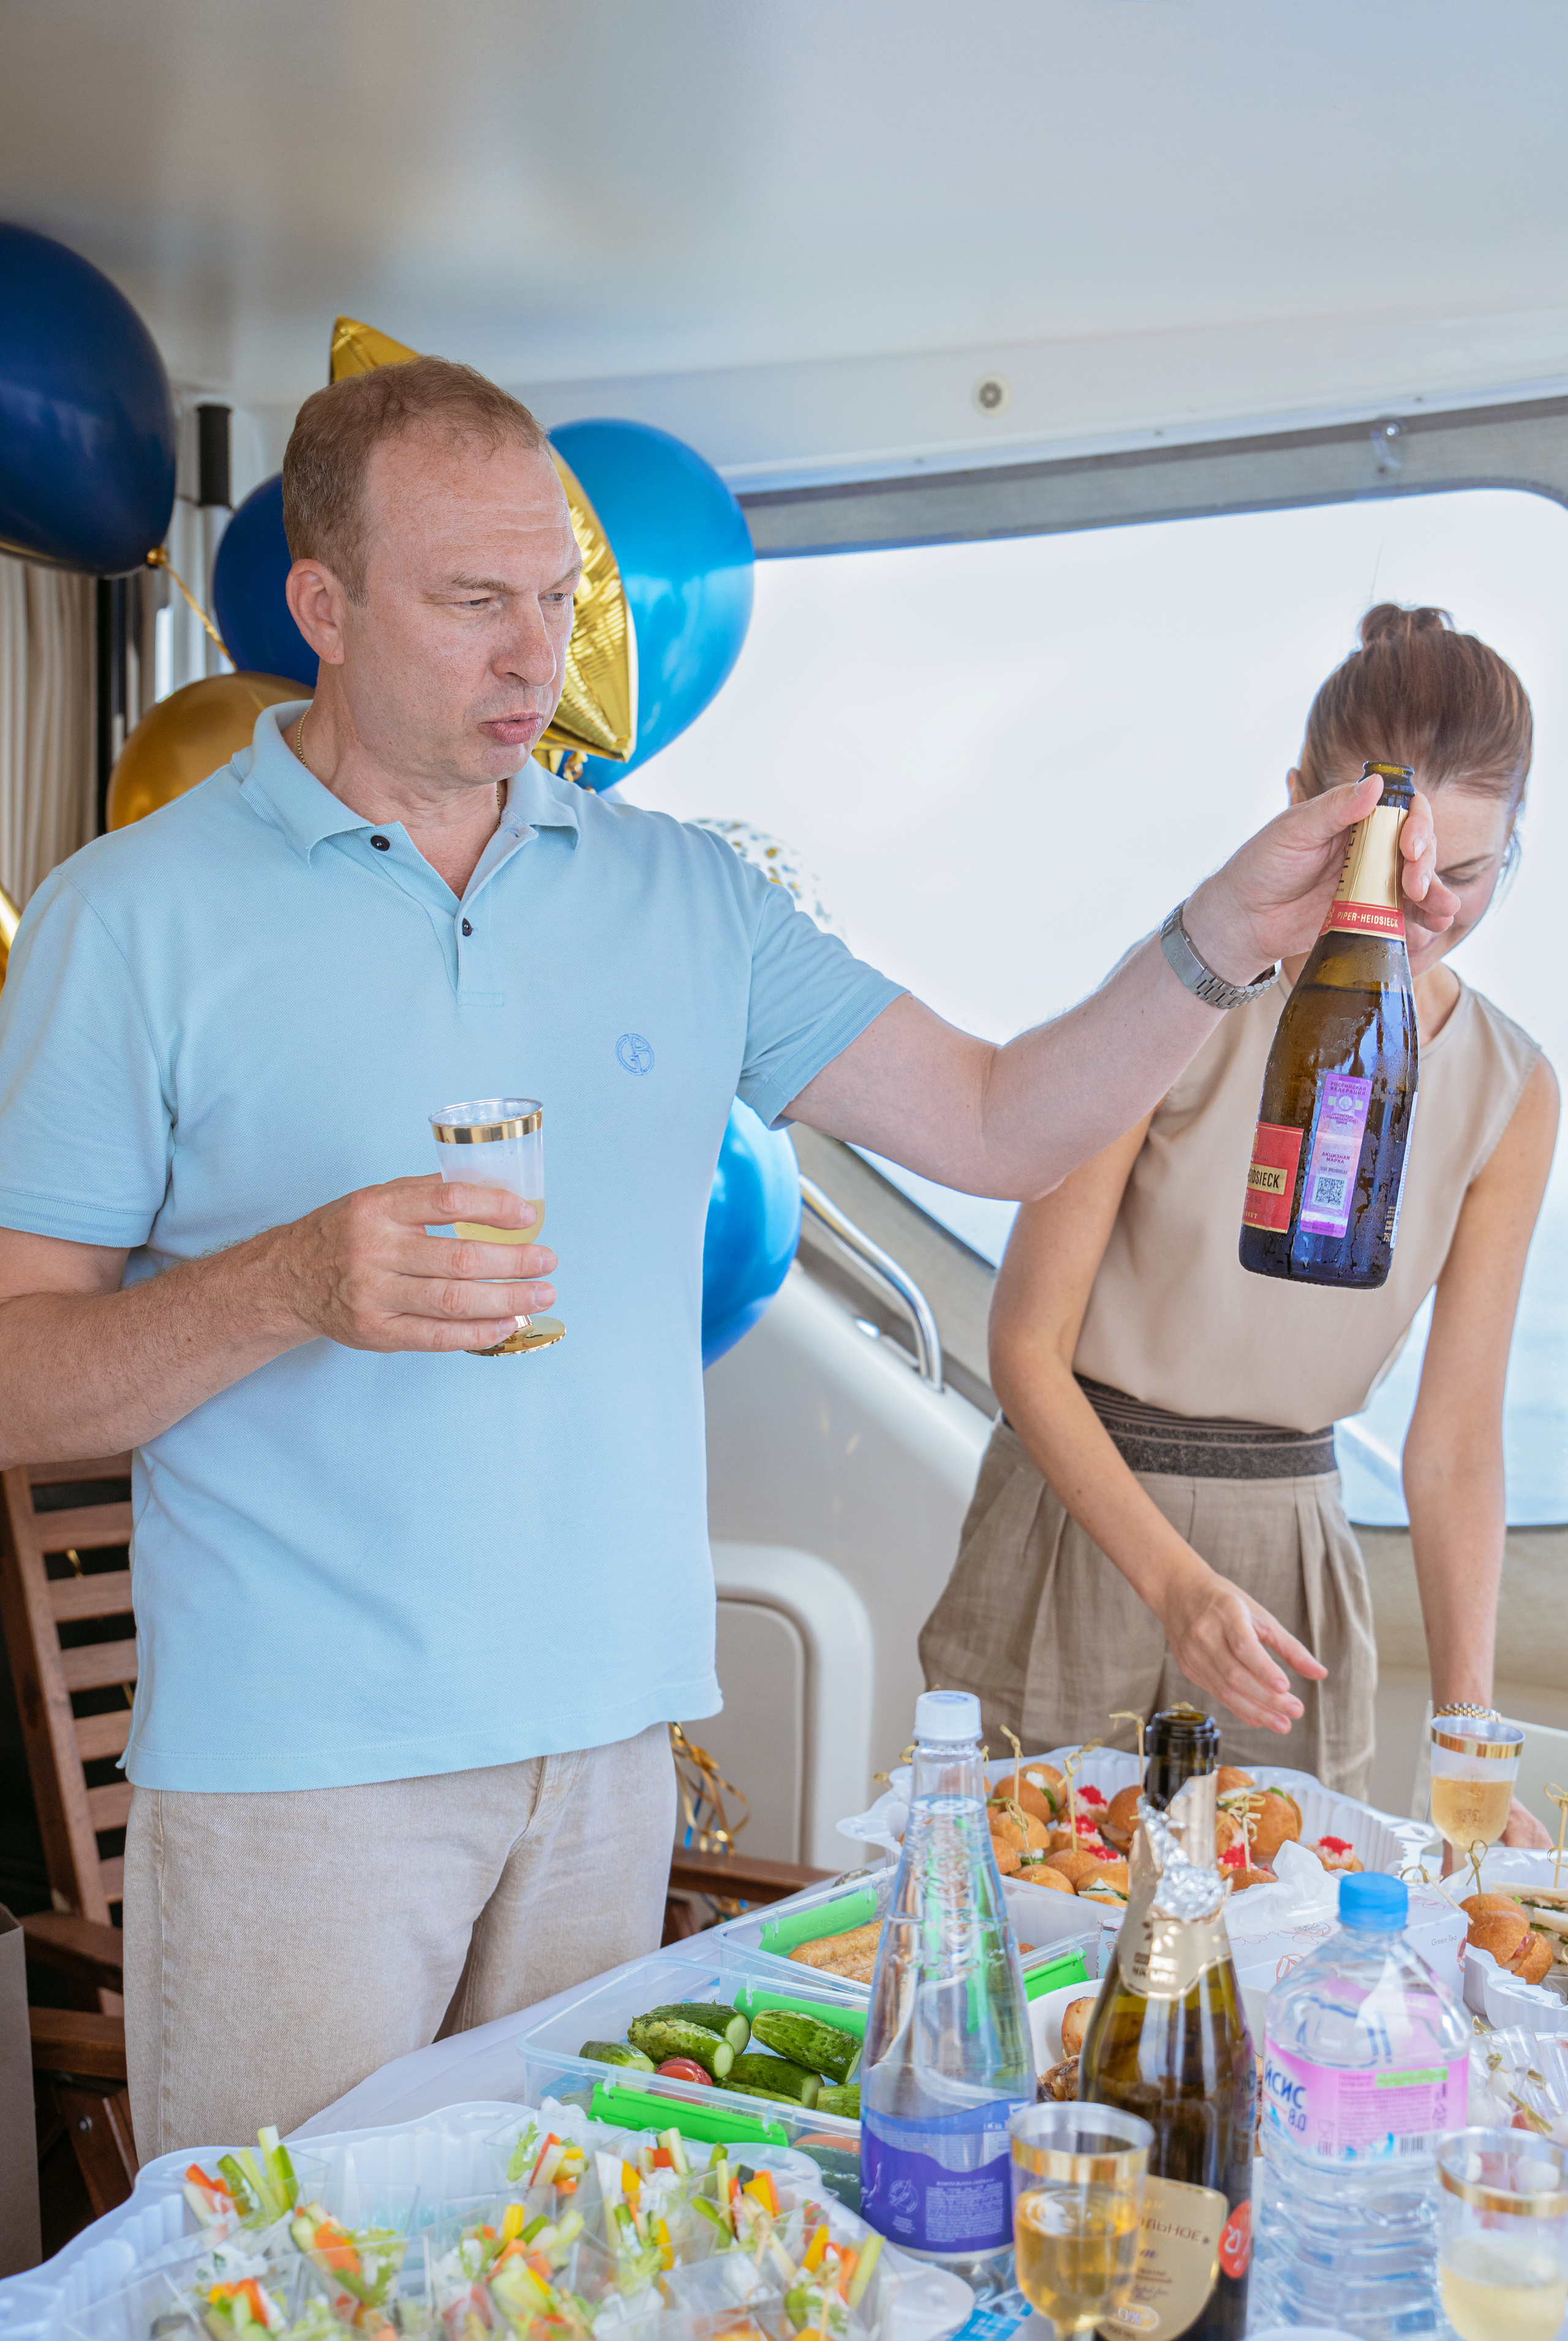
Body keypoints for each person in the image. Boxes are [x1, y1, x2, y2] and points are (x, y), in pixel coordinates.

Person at [0, 363, 1457, 2153]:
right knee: (274, 2282)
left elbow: (999, 1120)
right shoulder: (128, 916)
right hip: (301, 1779)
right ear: (322, 604)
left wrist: (1224, 935)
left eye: (557, 598)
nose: (535, 656)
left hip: (608, 1763)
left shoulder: (687, 892)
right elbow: (18, 1373)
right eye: (473, 602)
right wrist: (281, 1285)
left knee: (562, 2263)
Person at [921, 605, 1558, 1829]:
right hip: (1086, 1528)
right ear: (1296, 809)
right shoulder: (1181, 994)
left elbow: (1454, 1444)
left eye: (1468, 875)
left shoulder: (1512, 1087)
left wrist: (1467, 1734)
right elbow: (1024, 1347)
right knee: (1022, 1926)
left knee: (1272, 1965)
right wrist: (1172, 1586)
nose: (1424, 907)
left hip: (1293, 1560)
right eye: (1389, 863)